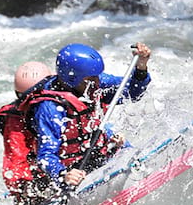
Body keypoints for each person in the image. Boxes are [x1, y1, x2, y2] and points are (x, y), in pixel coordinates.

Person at [18, 42, 152, 190]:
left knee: (121, 144)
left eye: (97, 76)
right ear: (72, 79)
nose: (98, 82)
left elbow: (133, 92)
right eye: (92, 79)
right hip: (72, 168)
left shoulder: (92, 81)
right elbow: (46, 156)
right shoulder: (51, 109)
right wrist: (64, 174)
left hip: (95, 151)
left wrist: (141, 67)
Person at [0, 61, 53, 205]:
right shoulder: (15, 122)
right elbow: (16, 160)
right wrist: (23, 188)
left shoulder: (57, 103)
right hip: (36, 181)